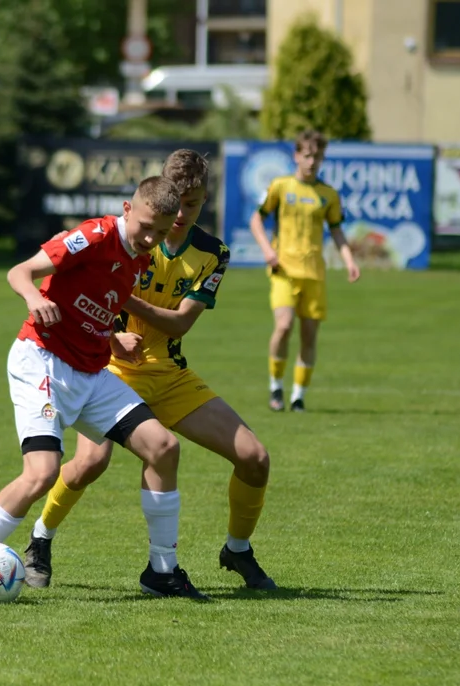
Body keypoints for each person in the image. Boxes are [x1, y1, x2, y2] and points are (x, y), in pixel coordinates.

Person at [0, 176, 208, 601]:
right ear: (127, 210)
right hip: (41, 359)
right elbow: (20, 272)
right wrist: (33, 299)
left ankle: (162, 571)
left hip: (91, 373)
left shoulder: (140, 259)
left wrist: (112, 340)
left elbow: (93, 301)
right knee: (42, 473)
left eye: (161, 230)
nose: (151, 237)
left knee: (163, 448)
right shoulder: (94, 235)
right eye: (145, 225)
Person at [22, 149, 276, 591]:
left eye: (193, 205)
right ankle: (40, 541)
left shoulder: (213, 253)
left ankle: (237, 549)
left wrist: (121, 295)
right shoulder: (133, 236)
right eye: (176, 202)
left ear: (205, 201)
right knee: (88, 464)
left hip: (170, 374)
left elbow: (180, 322)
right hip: (112, 368)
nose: (181, 214)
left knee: (254, 458)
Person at [249, 129, 361, 412]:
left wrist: (349, 260)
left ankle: (298, 396)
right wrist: (267, 250)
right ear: (297, 156)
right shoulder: (280, 186)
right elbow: (256, 220)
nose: (312, 161)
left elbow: (336, 231)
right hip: (284, 270)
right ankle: (276, 388)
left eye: (317, 156)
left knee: (309, 336)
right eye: (307, 155)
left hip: (314, 274)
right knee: (284, 326)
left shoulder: (328, 195)